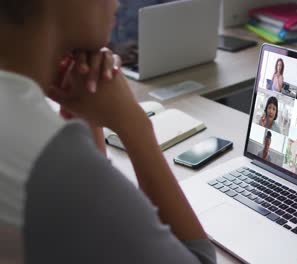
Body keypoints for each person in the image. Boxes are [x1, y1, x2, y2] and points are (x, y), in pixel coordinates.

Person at [0, 1, 215, 263]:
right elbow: (198, 259)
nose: (118, 2)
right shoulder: (47, 155)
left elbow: (90, 232)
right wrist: (134, 125)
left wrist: (83, 113)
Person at [109, 0, 173, 65]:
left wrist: (145, 49)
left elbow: (175, 22)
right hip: (106, 61)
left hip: (147, 61)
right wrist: (112, 49)